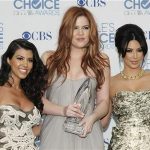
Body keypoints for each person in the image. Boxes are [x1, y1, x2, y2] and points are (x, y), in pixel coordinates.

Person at [40, 6, 110, 150]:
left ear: (92, 31)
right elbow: (38, 100)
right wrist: (63, 110)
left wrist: (93, 117)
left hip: (88, 132)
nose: (80, 33)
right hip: (54, 134)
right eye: (75, 28)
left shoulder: (101, 61)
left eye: (85, 27)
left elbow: (104, 101)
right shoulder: (49, 59)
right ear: (66, 30)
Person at [108, 24, 150, 149]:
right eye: (129, 51)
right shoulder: (110, 83)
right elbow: (103, 122)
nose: (135, 56)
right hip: (121, 146)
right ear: (120, 51)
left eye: (139, 50)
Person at [0, 38, 47, 150]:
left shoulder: (32, 92)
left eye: (30, 60)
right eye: (20, 58)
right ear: (8, 60)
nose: (25, 64)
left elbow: (30, 131)